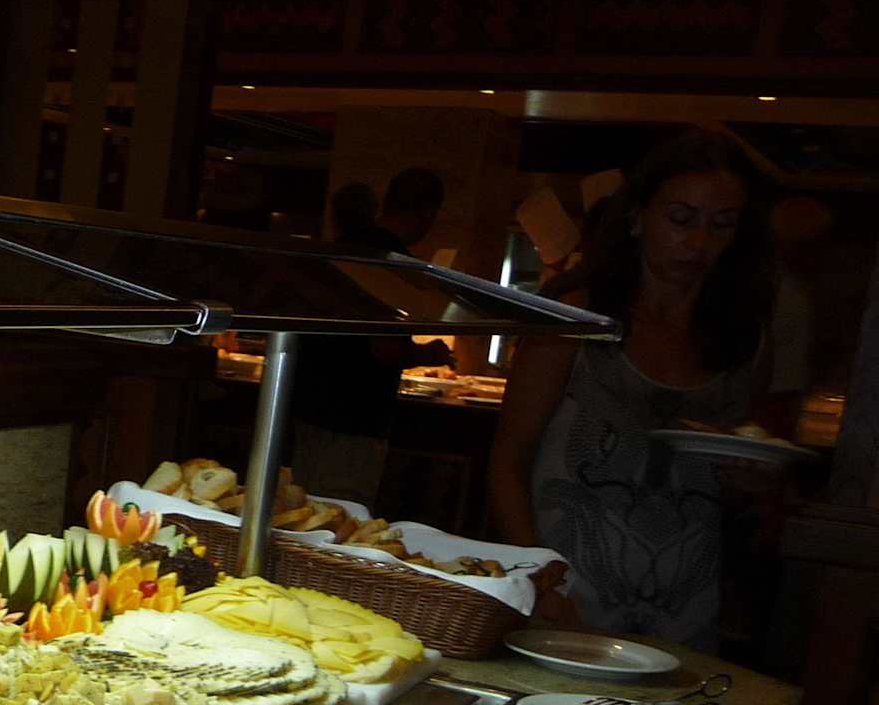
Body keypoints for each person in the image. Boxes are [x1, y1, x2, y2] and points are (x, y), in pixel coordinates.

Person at [487, 130, 777, 648]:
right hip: (566, 594)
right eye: (681, 219)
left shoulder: (744, 342)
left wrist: (751, 481)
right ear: (638, 217)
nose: (698, 242)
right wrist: (535, 579)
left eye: (721, 224)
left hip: (685, 605)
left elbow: (726, 486)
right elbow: (509, 459)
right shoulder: (573, 323)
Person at [291, 169, 453, 504]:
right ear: (429, 213)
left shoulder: (341, 249)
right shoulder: (395, 263)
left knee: (302, 506)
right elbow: (386, 349)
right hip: (354, 418)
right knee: (339, 513)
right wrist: (428, 354)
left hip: (309, 409)